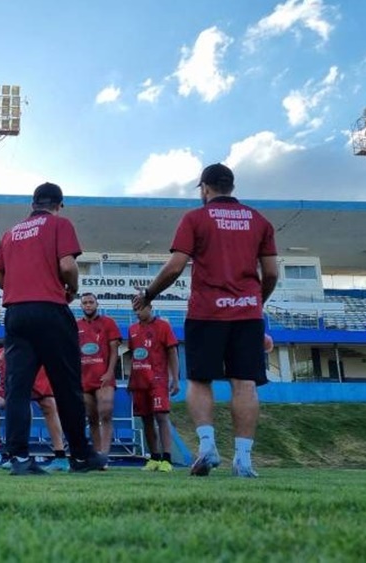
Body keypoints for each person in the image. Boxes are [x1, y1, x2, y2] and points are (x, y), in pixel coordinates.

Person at [133, 163, 278, 478]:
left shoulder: (195, 218)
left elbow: (174, 267)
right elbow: (271, 273)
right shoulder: (259, 221)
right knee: (245, 382)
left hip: (207, 312)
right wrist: (254, 302)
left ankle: (207, 446)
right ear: (231, 187)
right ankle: (243, 460)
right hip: (247, 313)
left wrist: (149, 294)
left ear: (205, 188)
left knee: (200, 380)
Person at [0, 182, 104, 475]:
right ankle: (80, 455)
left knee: (17, 388)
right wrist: (72, 289)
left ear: (32, 204)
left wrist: (19, 287)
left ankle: (17, 457)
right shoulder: (59, 225)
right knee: (66, 386)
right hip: (50, 309)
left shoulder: (10, 233)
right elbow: (67, 266)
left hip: (16, 313)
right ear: (59, 204)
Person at [0, 346, 70, 472]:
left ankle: (60, 456)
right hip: (16, 372)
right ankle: (17, 456)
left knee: (48, 404)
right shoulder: (3, 351)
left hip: (38, 358)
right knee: (18, 406)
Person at [127, 303, 179, 472]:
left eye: (140, 308)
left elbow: (172, 352)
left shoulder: (163, 326)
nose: (137, 312)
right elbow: (133, 355)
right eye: (135, 309)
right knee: (145, 419)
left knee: (161, 417)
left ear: (149, 307)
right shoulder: (132, 329)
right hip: (139, 381)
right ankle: (154, 458)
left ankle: (167, 459)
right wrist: (130, 380)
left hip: (157, 380)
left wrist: (175, 379)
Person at [77, 293, 121, 464]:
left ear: (97, 304)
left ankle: (105, 454)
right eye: (85, 303)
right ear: (81, 306)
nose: (88, 305)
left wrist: (110, 372)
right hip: (84, 379)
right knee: (92, 418)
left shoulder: (108, 322)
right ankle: (97, 456)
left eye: (91, 302)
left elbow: (114, 350)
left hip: (104, 377)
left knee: (106, 412)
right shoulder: (76, 325)